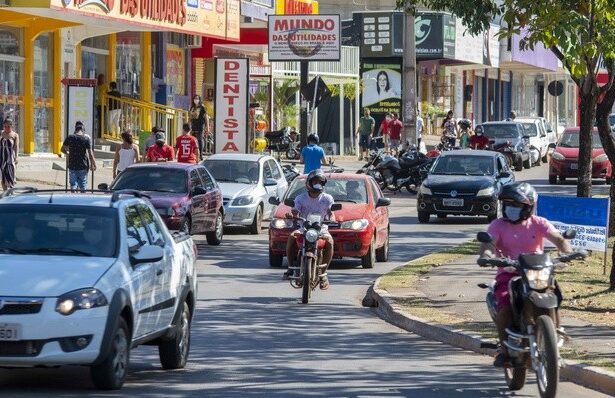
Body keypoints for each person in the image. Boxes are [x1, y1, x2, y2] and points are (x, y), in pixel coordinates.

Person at [479, 182, 572, 367]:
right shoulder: (498, 225)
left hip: (538, 272)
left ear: (528, 207)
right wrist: (487, 255)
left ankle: (556, 337)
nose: (510, 209)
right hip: (509, 273)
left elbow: (559, 239)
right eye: (507, 205)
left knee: (554, 294)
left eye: (515, 205)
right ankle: (504, 351)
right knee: (504, 303)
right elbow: (489, 243)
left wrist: (568, 252)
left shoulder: (539, 223)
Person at [284, 170, 335, 290]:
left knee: (330, 242)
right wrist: (291, 215)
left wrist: (332, 219)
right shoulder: (300, 198)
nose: (317, 184)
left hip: (321, 229)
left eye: (320, 182)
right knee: (292, 236)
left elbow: (331, 213)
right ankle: (291, 268)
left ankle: (323, 274)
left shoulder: (327, 198)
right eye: (315, 182)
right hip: (304, 228)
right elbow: (295, 211)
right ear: (309, 183)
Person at [62, 121, 97, 193]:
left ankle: (73, 199)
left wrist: (67, 153)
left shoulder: (70, 137)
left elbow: (62, 149)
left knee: (73, 185)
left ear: (75, 129)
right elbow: (90, 153)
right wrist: (93, 163)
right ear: (83, 129)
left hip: (72, 165)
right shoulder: (86, 139)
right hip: (83, 165)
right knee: (83, 185)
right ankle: (82, 199)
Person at [0, 118, 19, 191]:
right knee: (3, 177)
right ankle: (5, 193)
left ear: (12, 126)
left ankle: (11, 192)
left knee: (11, 176)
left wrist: (16, 157)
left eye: (8, 126)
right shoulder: (1, 133)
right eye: (5, 126)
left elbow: (16, 147)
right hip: (2, 159)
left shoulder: (15, 135)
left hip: (10, 159)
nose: (6, 128)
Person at [190, 95, 209, 160]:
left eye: (197, 98)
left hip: (200, 126)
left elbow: (206, 118)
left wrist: (207, 128)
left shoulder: (203, 107)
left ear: (199, 99)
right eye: (195, 98)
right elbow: (190, 118)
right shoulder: (192, 107)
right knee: (194, 141)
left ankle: (200, 155)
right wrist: (189, 126)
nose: (196, 100)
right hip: (193, 127)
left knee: (199, 140)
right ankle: (194, 155)